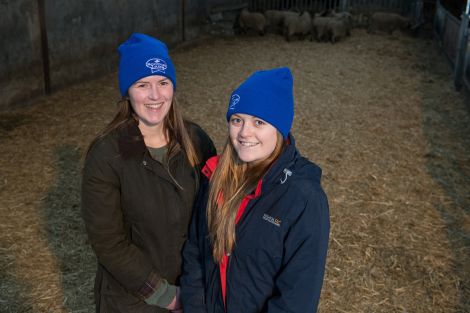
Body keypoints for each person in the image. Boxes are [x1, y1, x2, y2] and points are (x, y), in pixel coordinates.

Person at [81, 33, 216, 313]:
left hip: (192, 291)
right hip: (132, 300)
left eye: (163, 83)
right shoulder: (108, 154)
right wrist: (165, 295)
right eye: (143, 84)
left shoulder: (196, 142)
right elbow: (108, 241)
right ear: (127, 92)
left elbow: (214, 214)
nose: (155, 95)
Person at [180, 67, 330, 313]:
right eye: (237, 120)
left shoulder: (303, 199)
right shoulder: (214, 178)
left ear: (279, 129)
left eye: (259, 122)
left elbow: (297, 297)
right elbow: (196, 254)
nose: (244, 132)